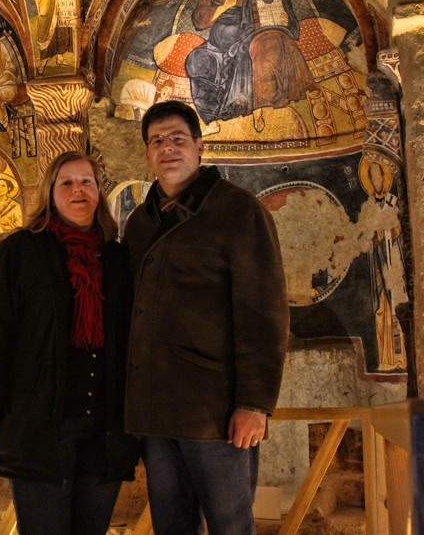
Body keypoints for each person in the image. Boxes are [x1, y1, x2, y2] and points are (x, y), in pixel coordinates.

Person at [123, 100, 289, 534]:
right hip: (157, 413)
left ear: (199, 147)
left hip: (214, 414)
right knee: (171, 527)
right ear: (147, 153)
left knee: (231, 527)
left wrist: (254, 404)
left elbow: (263, 313)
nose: (167, 148)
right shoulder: (140, 223)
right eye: (157, 141)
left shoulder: (237, 211)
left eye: (178, 139)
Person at [0, 151, 140, 535]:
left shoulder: (116, 258)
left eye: (87, 182)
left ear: (99, 191)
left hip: (104, 429)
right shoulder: (21, 251)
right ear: (50, 193)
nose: (78, 190)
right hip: (40, 426)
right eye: (67, 183)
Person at [184, 0, 315, 128]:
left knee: (258, 49)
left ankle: (254, 108)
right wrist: (222, 4)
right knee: (197, 59)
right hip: (217, 48)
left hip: (254, 35)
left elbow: (282, 15)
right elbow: (201, 23)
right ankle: (213, 119)